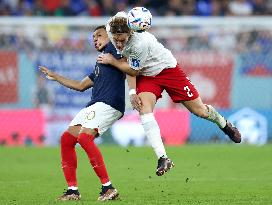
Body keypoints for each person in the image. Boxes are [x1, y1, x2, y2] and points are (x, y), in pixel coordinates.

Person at [97, 11, 242, 177]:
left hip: (167, 70)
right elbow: (124, 57)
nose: (119, 44)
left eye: (122, 40)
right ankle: (162, 158)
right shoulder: (112, 27)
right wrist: (131, 92)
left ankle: (223, 123)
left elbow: (132, 70)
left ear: (131, 32)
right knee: (143, 108)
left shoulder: (141, 43)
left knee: (200, 111)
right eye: (116, 40)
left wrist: (112, 60)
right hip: (148, 77)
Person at [39, 25, 125, 201]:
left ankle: (108, 187)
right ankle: (73, 191)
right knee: (66, 139)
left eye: (99, 35)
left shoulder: (114, 51)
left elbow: (129, 64)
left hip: (109, 103)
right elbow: (80, 86)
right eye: (93, 37)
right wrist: (56, 76)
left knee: (84, 138)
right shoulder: (101, 63)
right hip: (95, 104)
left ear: (111, 37)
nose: (95, 39)